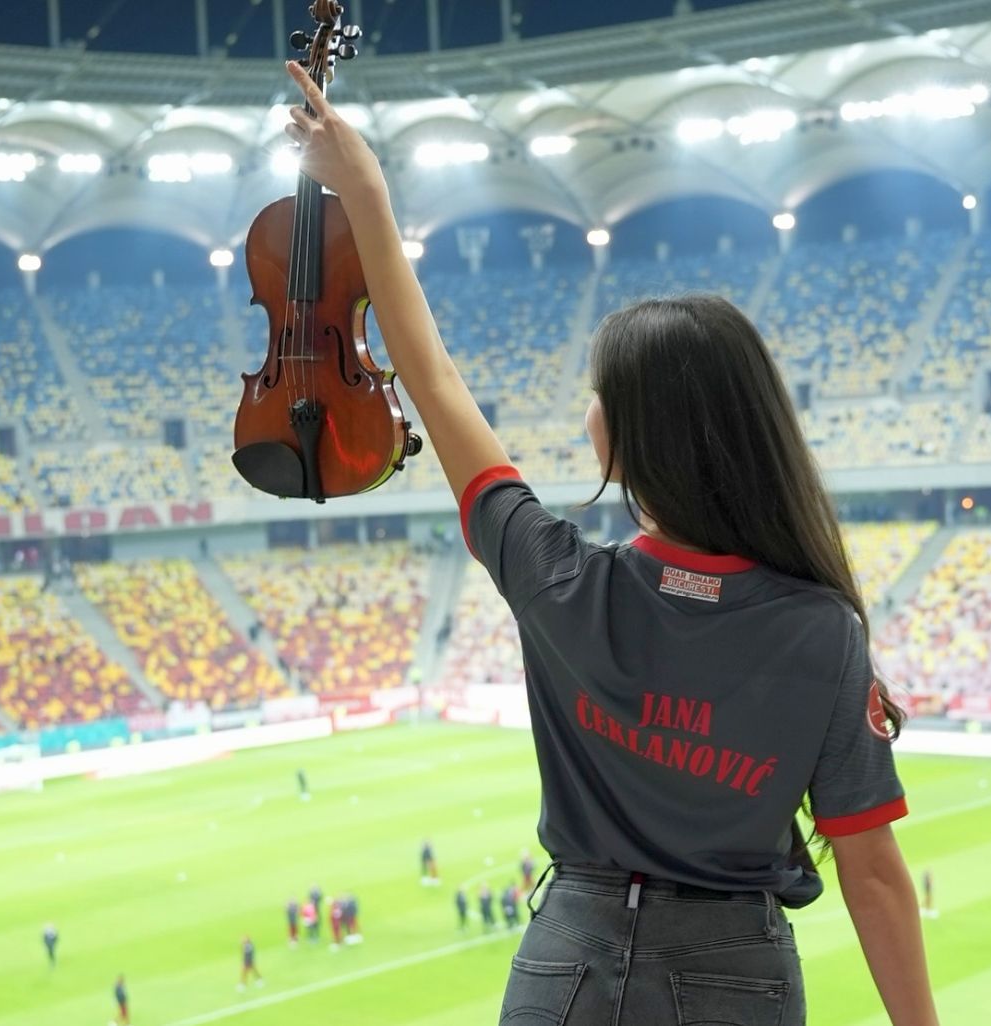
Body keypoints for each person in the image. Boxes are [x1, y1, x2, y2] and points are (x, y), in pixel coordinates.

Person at [283, 62, 936, 1026]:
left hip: (564, 973)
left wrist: (366, 190)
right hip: (733, 978)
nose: (585, 409)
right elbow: (872, 875)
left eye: (599, 395)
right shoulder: (823, 631)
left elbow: (431, 381)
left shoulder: (555, 579)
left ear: (630, 438)